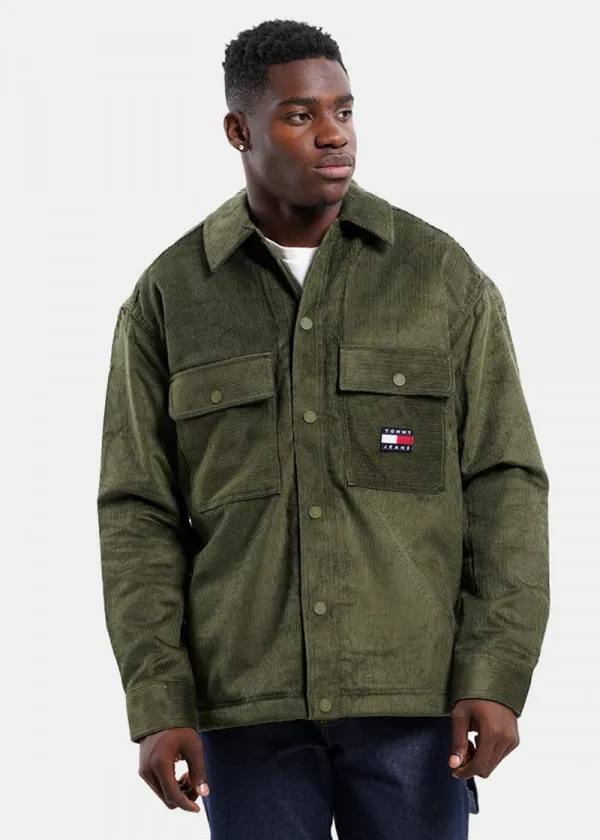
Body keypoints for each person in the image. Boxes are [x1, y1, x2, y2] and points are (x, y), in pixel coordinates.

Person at [96, 18, 550, 839]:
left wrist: (496, 671)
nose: (334, 134)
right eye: (300, 115)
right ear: (239, 130)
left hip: (414, 702)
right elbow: (139, 513)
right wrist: (158, 701)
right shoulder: (171, 296)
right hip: (247, 708)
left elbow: (504, 480)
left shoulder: (438, 276)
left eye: (344, 110)